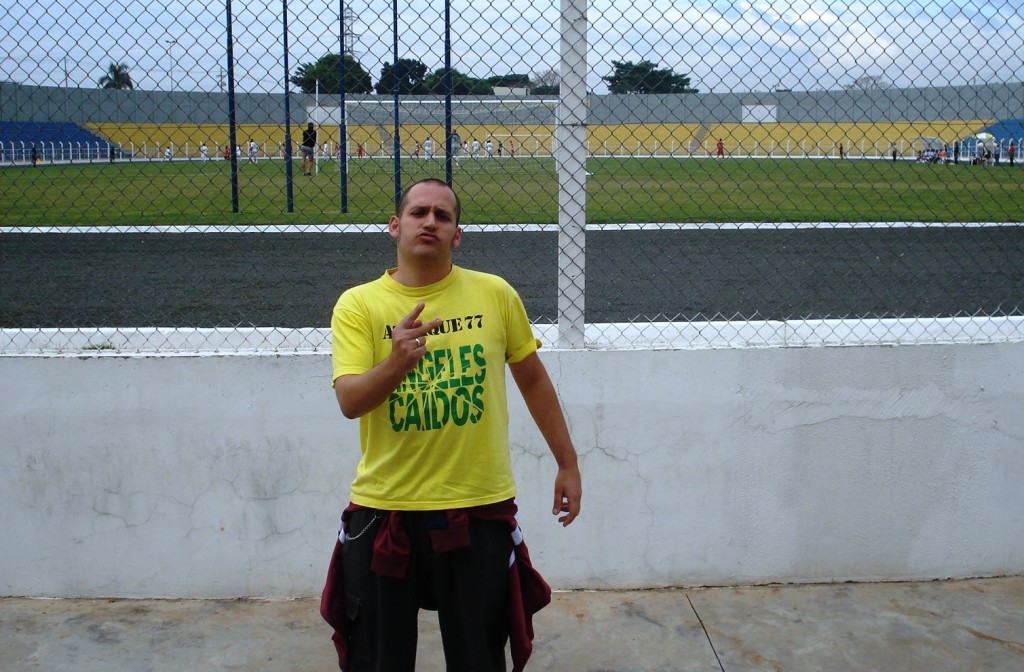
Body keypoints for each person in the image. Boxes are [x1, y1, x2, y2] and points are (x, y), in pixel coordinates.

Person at [322, 178, 582, 672]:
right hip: (386, 507)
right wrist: (396, 360)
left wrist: (567, 463)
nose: (431, 222)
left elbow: (533, 380)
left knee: (479, 656)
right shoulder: (359, 304)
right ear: (395, 227)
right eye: (419, 213)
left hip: (476, 504)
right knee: (379, 659)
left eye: (443, 216)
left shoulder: (494, 294)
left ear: (457, 235)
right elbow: (350, 401)